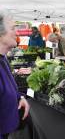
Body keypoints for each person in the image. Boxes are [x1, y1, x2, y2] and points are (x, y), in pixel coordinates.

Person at [0, 11, 30, 139]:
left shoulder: (3, 58)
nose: (17, 33)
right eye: (12, 28)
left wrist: (20, 98)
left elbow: (9, 87)